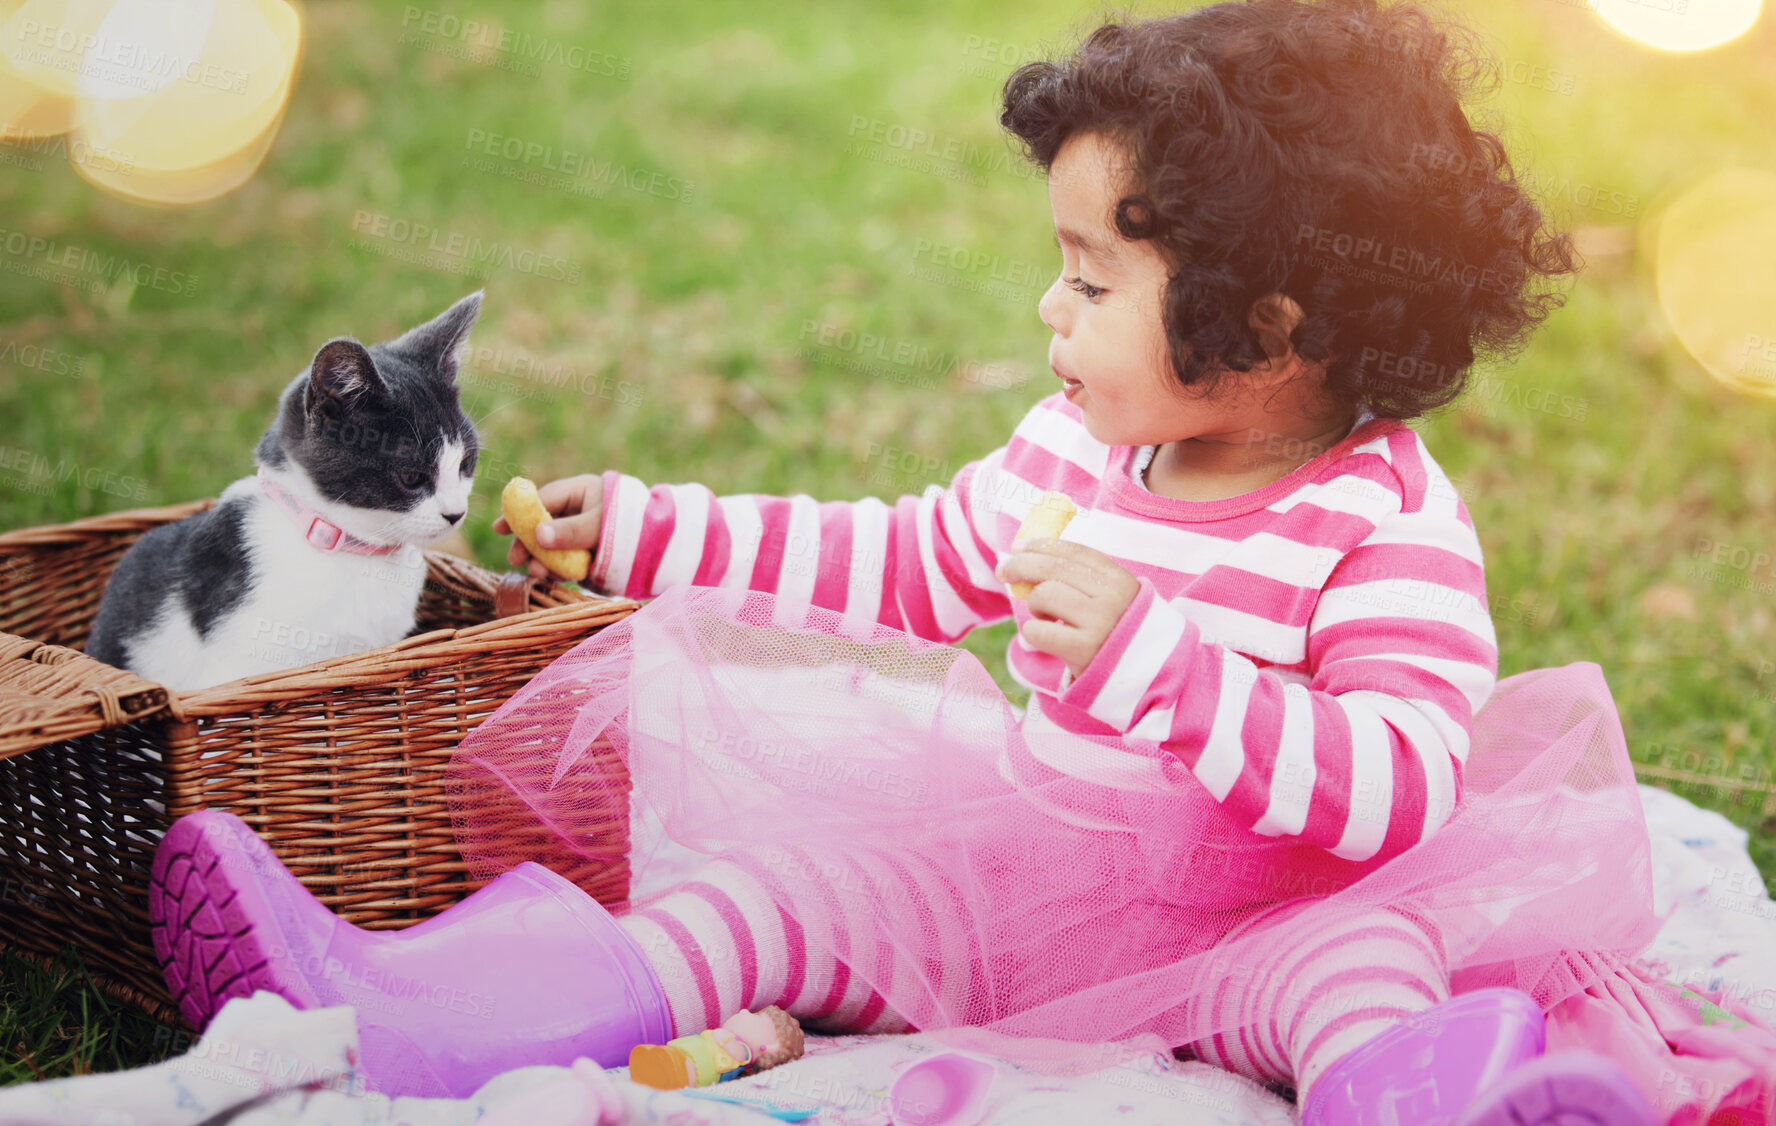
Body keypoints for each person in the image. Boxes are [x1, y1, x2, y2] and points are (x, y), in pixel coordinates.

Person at [149, 1, 1776, 1122]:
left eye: (1089, 281)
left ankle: (1450, 1099)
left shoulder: (1383, 526)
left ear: (1269, 323)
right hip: (1023, 870)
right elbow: (912, 559)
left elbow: (1399, 789)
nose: (1047, 316)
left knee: (1369, 966)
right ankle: (394, 1003)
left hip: (1267, 918)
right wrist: (656, 526)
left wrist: (1168, 663)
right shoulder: (1083, 449)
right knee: (767, 894)